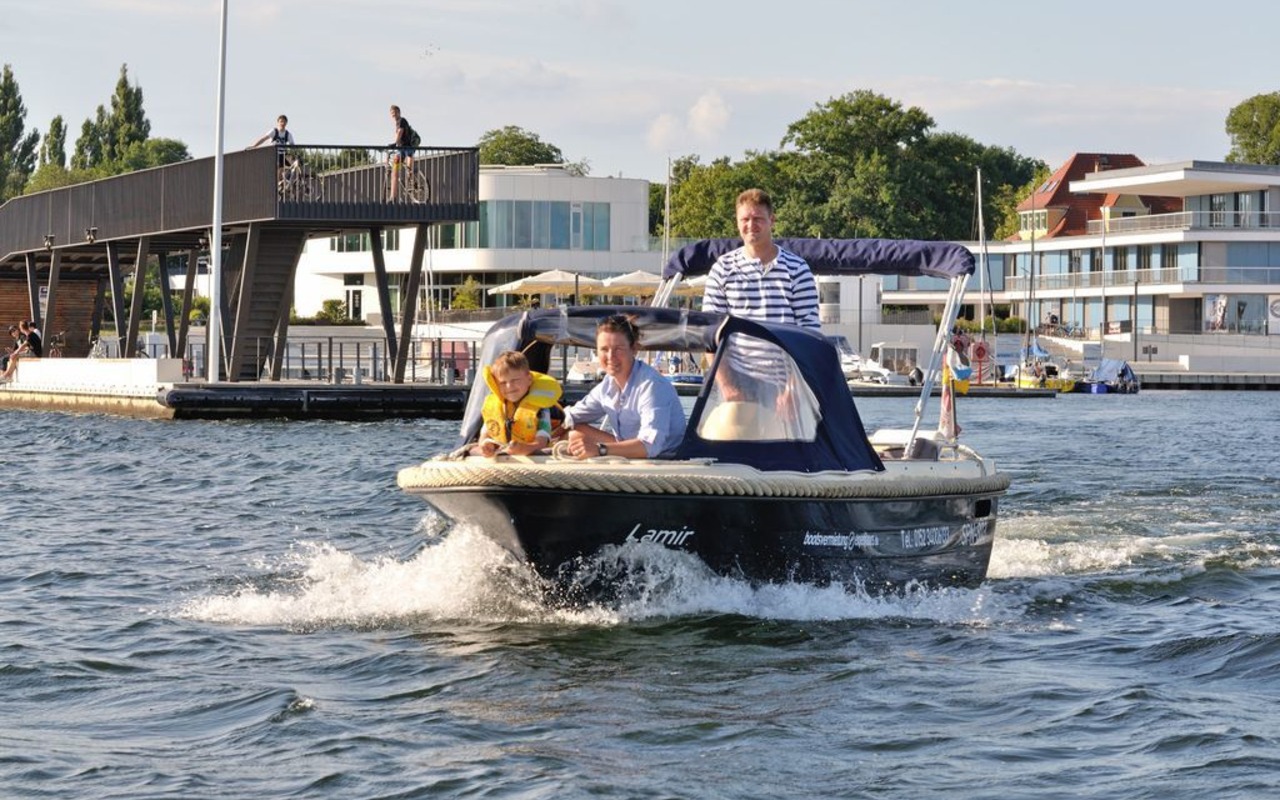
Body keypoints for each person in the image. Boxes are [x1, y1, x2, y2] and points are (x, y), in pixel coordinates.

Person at [562, 314, 686, 460]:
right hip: (629, 455)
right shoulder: (606, 386)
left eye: (618, 349)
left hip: (664, 460)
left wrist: (600, 450)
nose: (610, 356)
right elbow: (569, 417)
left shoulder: (652, 386)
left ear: (634, 349)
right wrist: (542, 427)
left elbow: (650, 446)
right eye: (604, 349)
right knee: (573, 432)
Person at [701, 188, 821, 330]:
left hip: (784, 345)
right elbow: (712, 329)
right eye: (745, 219)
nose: (751, 225)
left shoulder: (797, 269)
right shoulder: (722, 269)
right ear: (737, 223)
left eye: (758, 219)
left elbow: (809, 329)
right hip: (735, 346)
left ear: (772, 220)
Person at [471, 350, 563, 457]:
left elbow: (543, 439)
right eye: (503, 383)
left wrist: (524, 448)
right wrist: (486, 445)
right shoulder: (495, 407)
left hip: (534, 457)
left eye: (515, 380)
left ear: (529, 379)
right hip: (503, 455)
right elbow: (485, 433)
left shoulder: (542, 408)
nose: (509, 387)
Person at [247, 114, 295, 183]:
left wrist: (293, 152)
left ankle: (281, 183)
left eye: (284, 122)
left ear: (286, 123)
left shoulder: (288, 134)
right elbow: (263, 139)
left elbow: (292, 145)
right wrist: (254, 146)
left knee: (290, 168)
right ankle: (277, 183)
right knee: (280, 167)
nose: (282, 123)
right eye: (281, 121)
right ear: (278, 123)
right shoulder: (274, 131)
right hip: (273, 154)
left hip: (282, 155)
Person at [388, 104, 417, 200]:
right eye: (392, 113)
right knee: (401, 169)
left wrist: (394, 143)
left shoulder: (402, 121)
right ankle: (394, 195)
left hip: (405, 148)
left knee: (401, 170)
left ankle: (394, 196)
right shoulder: (398, 122)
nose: (394, 115)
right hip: (404, 149)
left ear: (399, 112)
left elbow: (400, 132)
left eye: (395, 112)